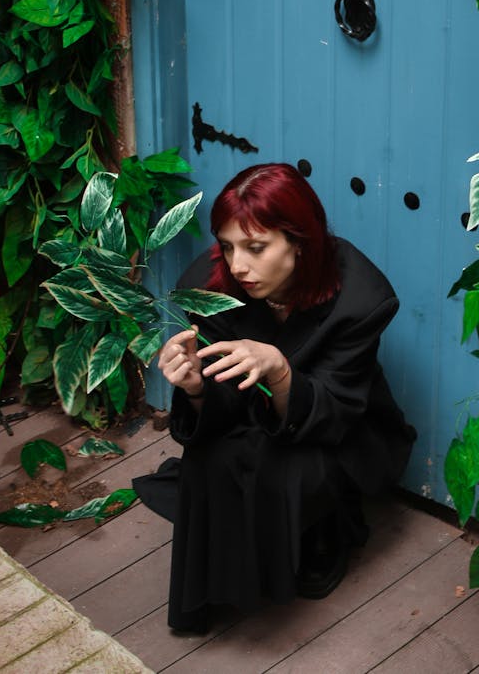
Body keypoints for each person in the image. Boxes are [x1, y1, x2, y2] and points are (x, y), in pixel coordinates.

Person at [133, 162, 416, 634]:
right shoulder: (208, 285)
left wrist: (282, 372)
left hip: (341, 423)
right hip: (248, 415)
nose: (238, 265)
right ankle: (211, 591)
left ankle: (326, 534)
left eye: (256, 247)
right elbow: (226, 404)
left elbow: (337, 409)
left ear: (300, 242)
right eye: (227, 246)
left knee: (289, 467)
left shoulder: (363, 297)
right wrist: (196, 388)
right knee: (213, 456)